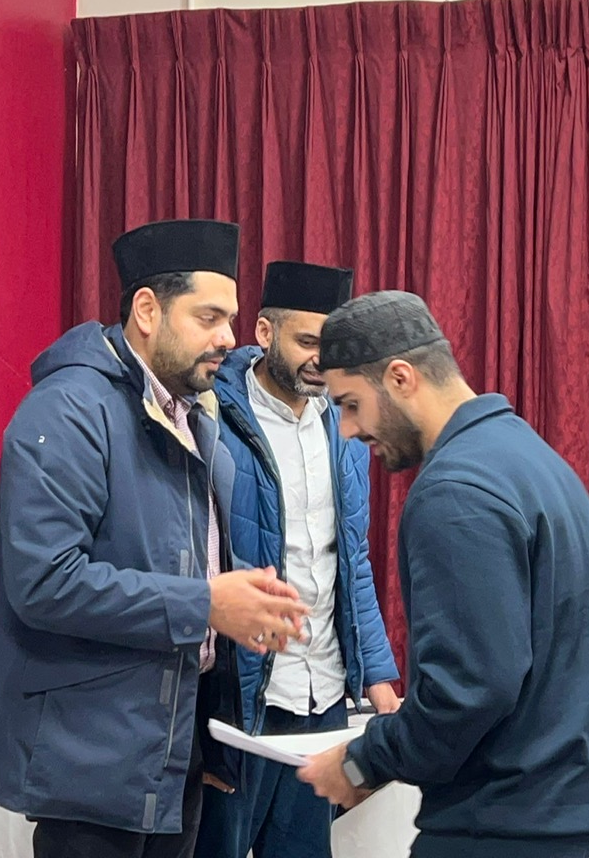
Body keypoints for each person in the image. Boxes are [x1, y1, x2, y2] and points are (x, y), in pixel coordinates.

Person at [0, 220, 310, 858]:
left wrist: (243, 605)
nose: (229, 338)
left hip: (172, 750)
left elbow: (172, 557)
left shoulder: (193, 415)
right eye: (209, 317)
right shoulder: (69, 411)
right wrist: (207, 604)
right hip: (90, 758)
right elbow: (45, 583)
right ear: (148, 311)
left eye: (231, 319)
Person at [296, 291, 589, 858]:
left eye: (350, 404)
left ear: (400, 378)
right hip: (586, 814)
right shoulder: (523, 454)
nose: (346, 430)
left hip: (523, 828)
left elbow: (470, 690)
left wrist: (361, 762)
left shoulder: (456, 491)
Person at [196, 261, 401, 858]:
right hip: (244, 698)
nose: (321, 360)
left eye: (331, 347)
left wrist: (378, 673)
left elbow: (351, 558)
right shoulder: (213, 415)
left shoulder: (345, 423)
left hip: (325, 694)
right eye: (308, 342)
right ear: (264, 332)